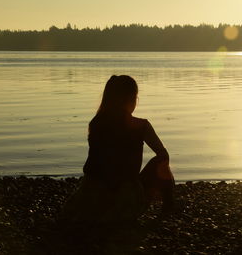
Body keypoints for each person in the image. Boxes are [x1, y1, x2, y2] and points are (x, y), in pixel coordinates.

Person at [63, 75, 175, 225]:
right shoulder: (141, 126)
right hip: (124, 203)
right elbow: (163, 155)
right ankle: (169, 205)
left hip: (88, 200)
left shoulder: (96, 124)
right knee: (160, 160)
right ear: (131, 99)